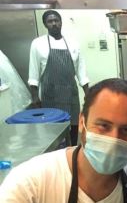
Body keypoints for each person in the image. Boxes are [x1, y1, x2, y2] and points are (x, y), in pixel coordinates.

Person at [28, 10, 89, 145]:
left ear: (61, 22)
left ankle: (71, 151)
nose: (54, 24)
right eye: (50, 21)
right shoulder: (38, 44)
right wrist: (34, 97)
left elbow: (81, 71)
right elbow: (33, 73)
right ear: (45, 24)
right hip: (50, 96)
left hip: (70, 94)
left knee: (73, 128)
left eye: (56, 20)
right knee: (52, 131)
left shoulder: (73, 43)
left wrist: (88, 93)